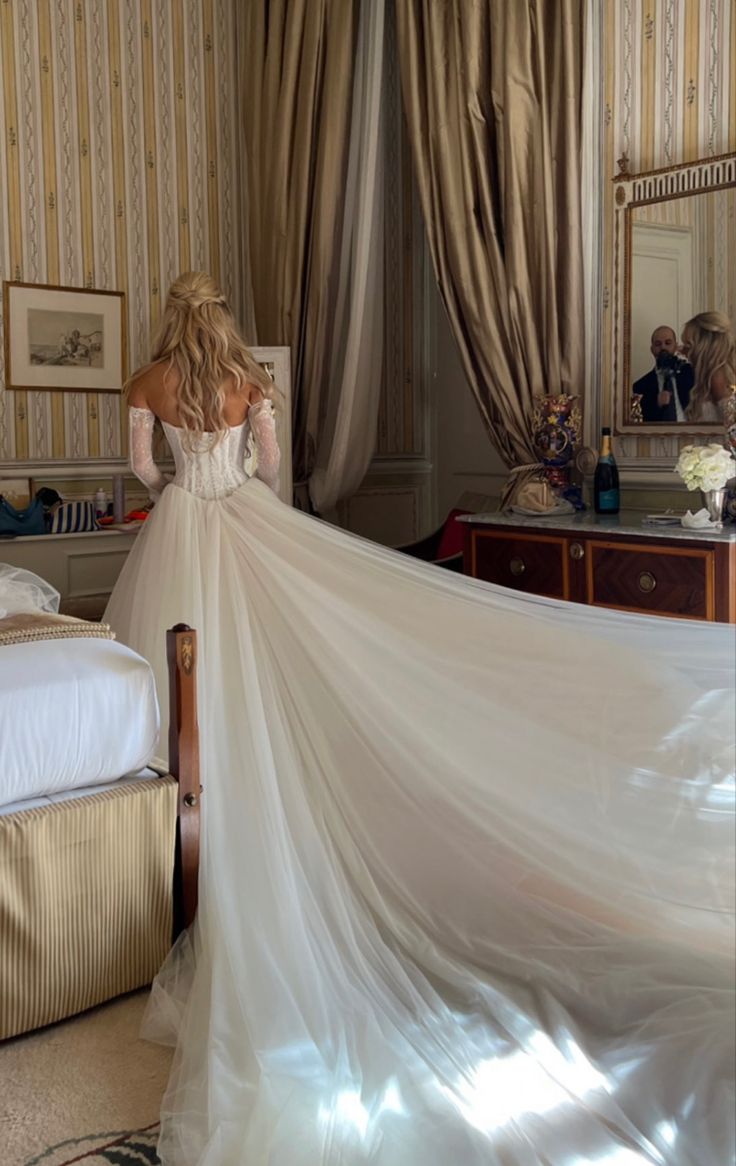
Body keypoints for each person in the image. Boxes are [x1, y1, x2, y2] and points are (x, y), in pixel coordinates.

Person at [105, 272, 734, 1166]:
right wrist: (235, 462)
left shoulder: (146, 382)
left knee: (172, 685)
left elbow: (140, 471)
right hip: (242, 524)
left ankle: (177, 825)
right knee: (271, 670)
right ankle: (256, 795)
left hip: (176, 528)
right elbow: (273, 469)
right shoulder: (251, 381)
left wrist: (178, 476)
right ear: (224, 319)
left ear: (171, 317)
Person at [681, 311, 736, 423]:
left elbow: (732, 425)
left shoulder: (717, 378)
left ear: (702, 347)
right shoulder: (708, 378)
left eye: (688, 345)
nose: (682, 351)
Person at [632, 325, 694, 422]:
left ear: (676, 346)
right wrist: (656, 404)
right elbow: (639, 420)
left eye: (668, 343)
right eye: (658, 344)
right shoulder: (640, 387)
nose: (663, 347)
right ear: (652, 349)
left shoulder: (692, 374)